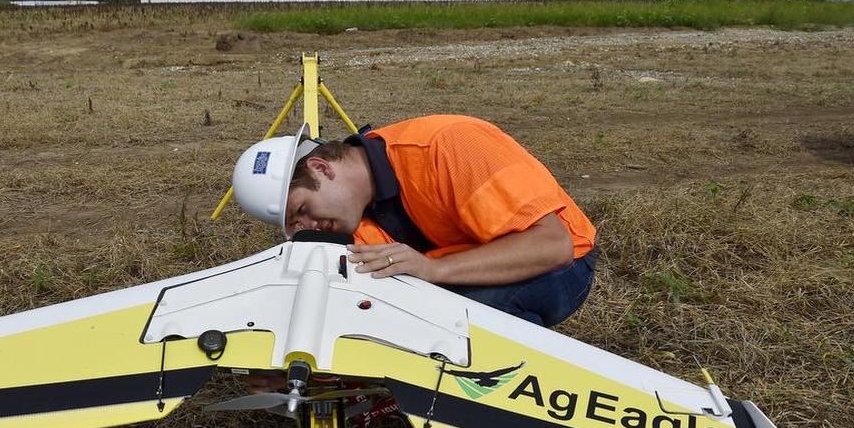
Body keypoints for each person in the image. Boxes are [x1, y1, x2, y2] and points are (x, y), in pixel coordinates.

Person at [231, 115, 597, 327]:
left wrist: (433, 270)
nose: (310, 226)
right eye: (296, 226)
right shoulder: (349, 221)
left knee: (456, 322)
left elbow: (553, 245)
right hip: (456, 269)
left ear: (321, 168)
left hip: (562, 266)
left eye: (302, 210)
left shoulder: (448, 146)